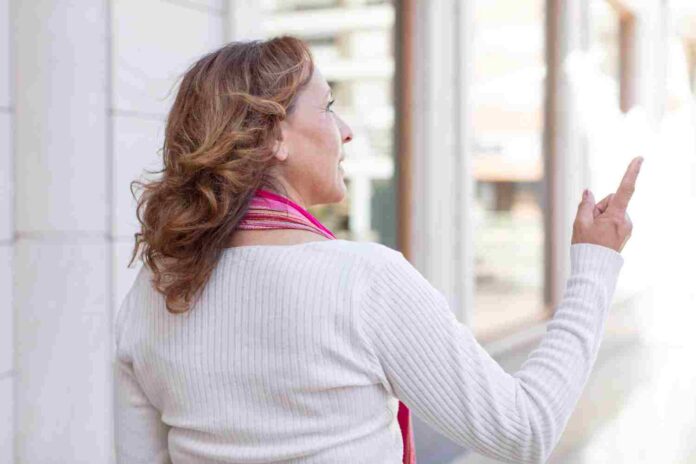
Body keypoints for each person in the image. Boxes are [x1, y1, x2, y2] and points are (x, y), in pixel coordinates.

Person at [114, 35, 643, 464]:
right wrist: (593, 268)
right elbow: (525, 430)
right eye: (328, 108)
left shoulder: (155, 289)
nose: (344, 132)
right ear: (275, 135)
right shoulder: (361, 280)